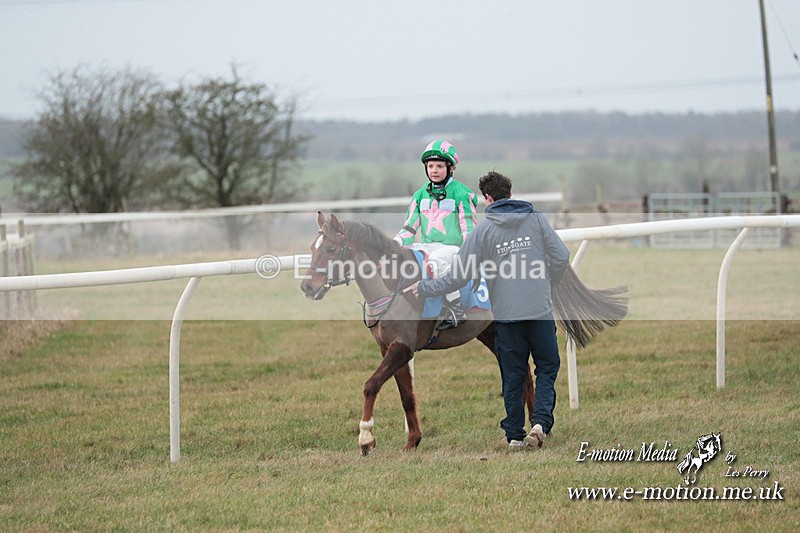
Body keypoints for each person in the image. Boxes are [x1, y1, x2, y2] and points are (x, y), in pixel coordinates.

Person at [412, 171, 570, 449]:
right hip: (540, 310)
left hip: (507, 316)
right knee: (546, 367)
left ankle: (514, 436)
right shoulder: (537, 219)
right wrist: (549, 282)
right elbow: (561, 255)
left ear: (487, 198)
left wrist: (425, 288)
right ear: (510, 192)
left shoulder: (482, 231)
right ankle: (541, 423)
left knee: (512, 372)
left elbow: (458, 277)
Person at [394, 140, 478, 279]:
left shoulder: (461, 194)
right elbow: (409, 229)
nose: (434, 170)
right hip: (427, 248)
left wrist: (470, 257)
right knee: (402, 259)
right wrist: (395, 243)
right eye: (430, 166)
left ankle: (454, 298)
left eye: (439, 166)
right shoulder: (419, 195)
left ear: (451, 168)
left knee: (436, 260)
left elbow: (468, 230)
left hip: (454, 250)